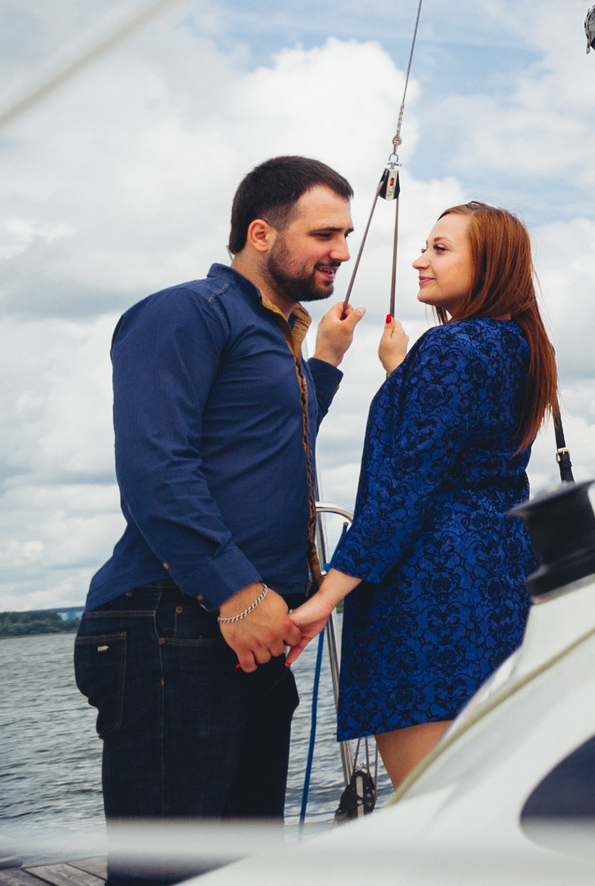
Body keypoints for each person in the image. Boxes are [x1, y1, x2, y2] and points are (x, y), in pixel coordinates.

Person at [74, 156, 362, 828]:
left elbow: (270, 439)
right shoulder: (185, 313)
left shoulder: (274, 334)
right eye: (324, 235)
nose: (342, 253)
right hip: (173, 624)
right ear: (261, 235)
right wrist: (238, 590)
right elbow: (156, 466)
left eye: (346, 235)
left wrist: (324, 362)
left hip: (246, 633)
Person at [288, 202, 555, 788]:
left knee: (428, 806)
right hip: (499, 586)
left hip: (429, 597)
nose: (418, 261)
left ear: (487, 263)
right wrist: (400, 373)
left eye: (439, 249)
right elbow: (456, 449)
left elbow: (406, 486)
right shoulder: (519, 346)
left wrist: (322, 599)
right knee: (492, 791)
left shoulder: (451, 349)